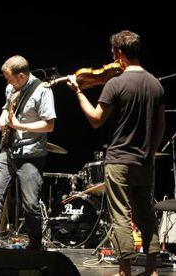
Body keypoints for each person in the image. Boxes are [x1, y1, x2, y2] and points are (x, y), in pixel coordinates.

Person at [67, 30, 165, 276]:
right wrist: (150, 152)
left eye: (112, 51)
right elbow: (161, 125)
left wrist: (78, 93)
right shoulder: (155, 83)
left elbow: (96, 120)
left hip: (119, 159)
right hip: (144, 161)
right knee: (146, 214)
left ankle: (125, 270)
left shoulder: (116, 83)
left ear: (119, 53)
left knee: (120, 215)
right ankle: (152, 270)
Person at [0, 55, 56, 250]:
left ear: (21, 76)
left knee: (30, 205)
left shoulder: (42, 91)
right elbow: (8, 107)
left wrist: (18, 125)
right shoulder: (10, 88)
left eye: (9, 77)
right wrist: (3, 116)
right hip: (9, 150)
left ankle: (35, 243)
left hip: (31, 153)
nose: (7, 81)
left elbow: (49, 125)